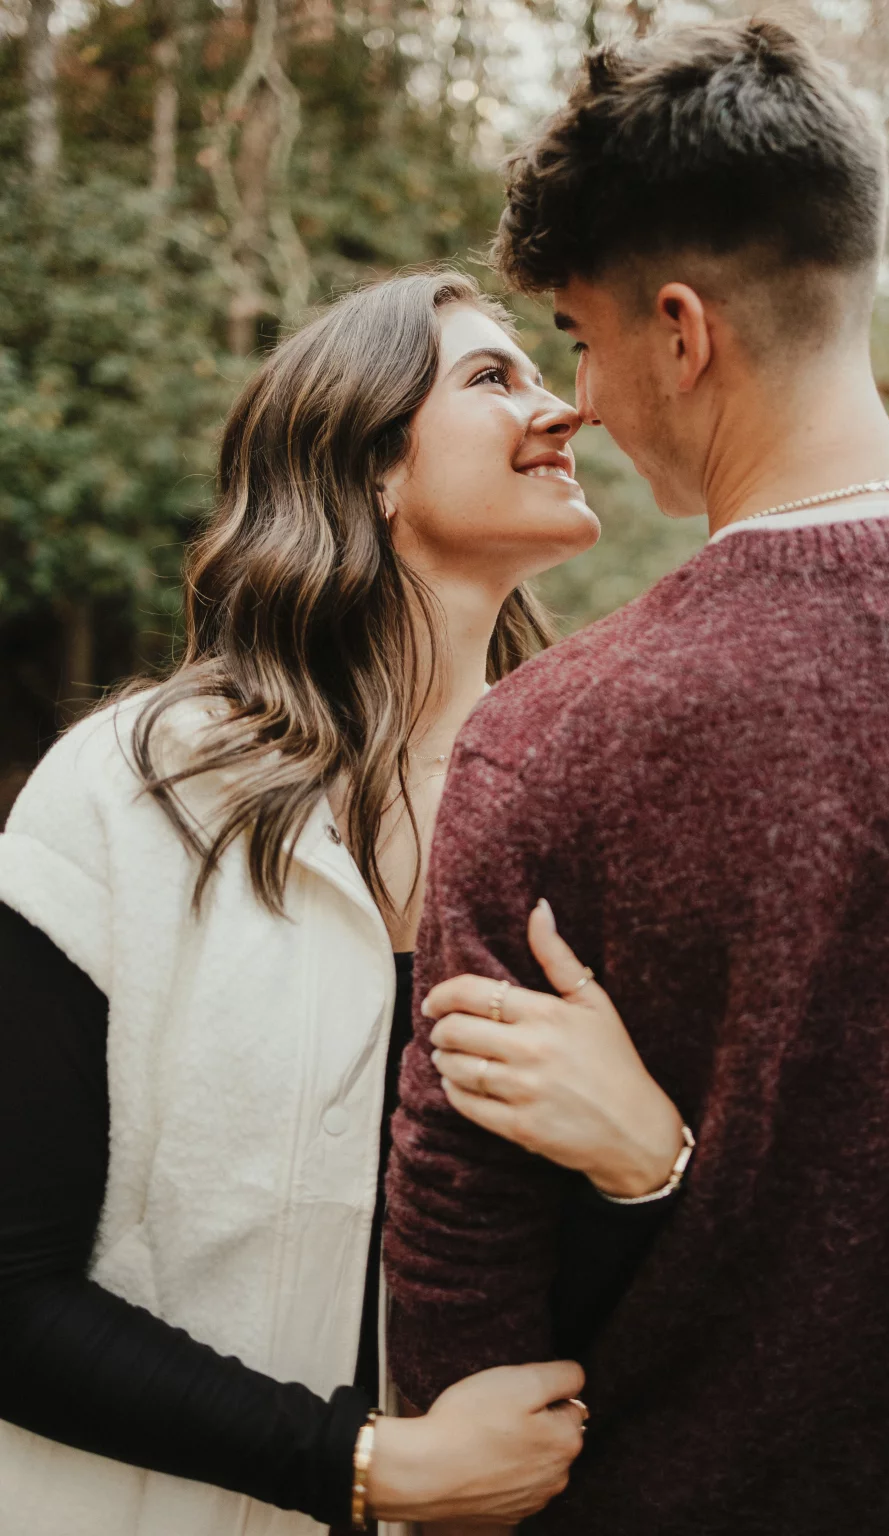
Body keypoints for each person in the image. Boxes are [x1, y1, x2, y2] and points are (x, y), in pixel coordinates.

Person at [384, 22, 889, 1536]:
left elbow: (464, 1301)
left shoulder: (551, 738)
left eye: (583, 340)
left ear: (681, 332)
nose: (584, 400)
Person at [0, 270, 691, 1536]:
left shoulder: (593, 817)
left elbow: (646, 1310)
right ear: (366, 464)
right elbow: (10, 1288)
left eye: (545, 371)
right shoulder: (135, 786)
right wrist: (364, 1464)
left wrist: (645, 1168)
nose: (564, 410)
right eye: (494, 378)